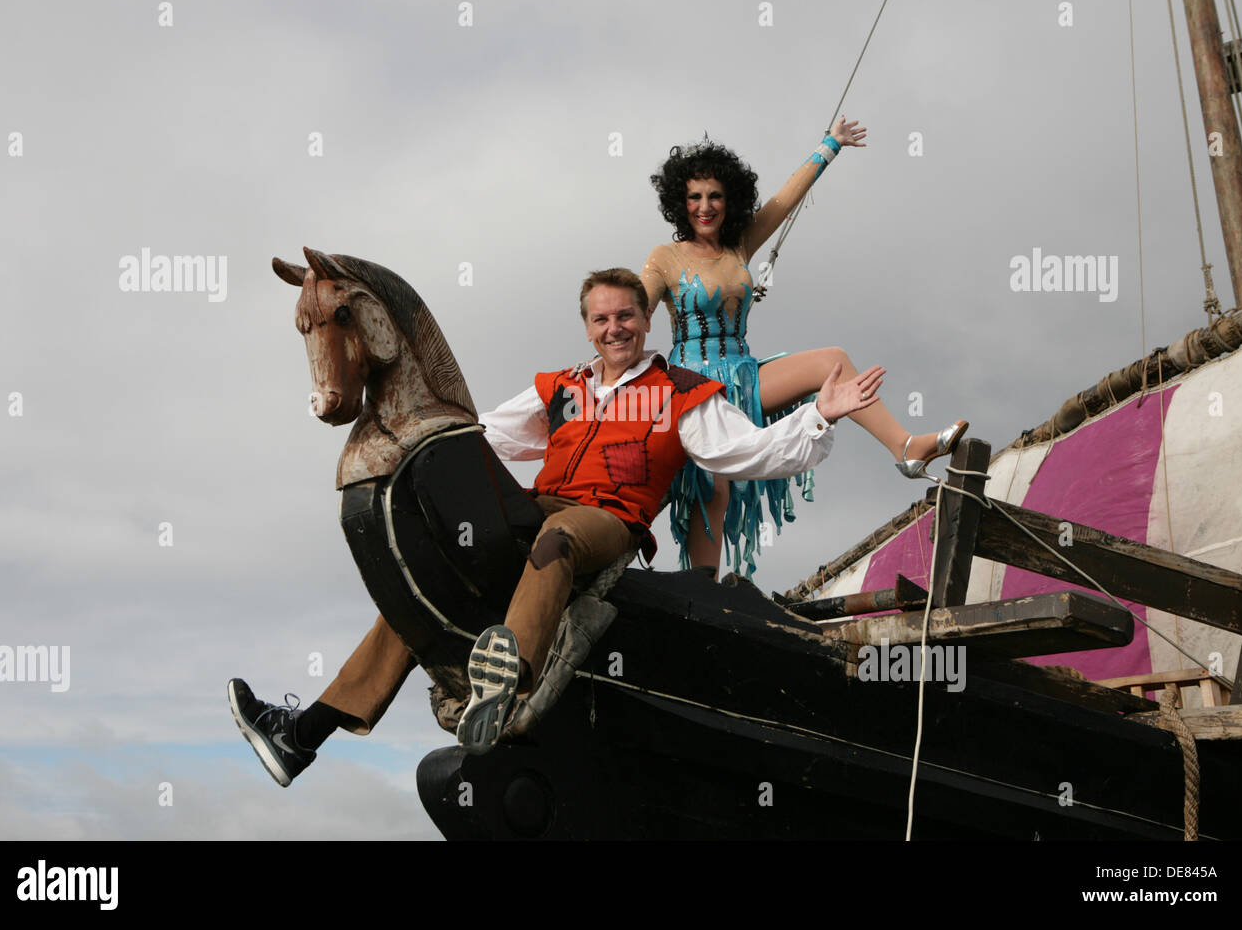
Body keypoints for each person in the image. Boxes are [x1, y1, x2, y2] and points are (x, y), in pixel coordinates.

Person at [228, 267, 886, 782]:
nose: (614, 328)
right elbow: (477, 434)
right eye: (601, 318)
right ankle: (300, 735)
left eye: (626, 315)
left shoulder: (683, 392)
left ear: (644, 319)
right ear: (588, 326)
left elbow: (750, 453)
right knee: (432, 578)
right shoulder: (562, 388)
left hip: (606, 522)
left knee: (558, 538)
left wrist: (819, 415)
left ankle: (503, 685)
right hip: (540, 505)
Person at [640, 122, 966, 578]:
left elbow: (784, 200)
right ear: (681, 202)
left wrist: (830, 145)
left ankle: (906, 448)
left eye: (714, 195)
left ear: (728, 199)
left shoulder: (738, 246)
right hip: (693, 390)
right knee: (709, 489)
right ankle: (698, 588)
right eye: (694, 197)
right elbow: (634, 309)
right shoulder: (665, 258)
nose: (705, 206)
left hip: (745, 376)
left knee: (833, 360)